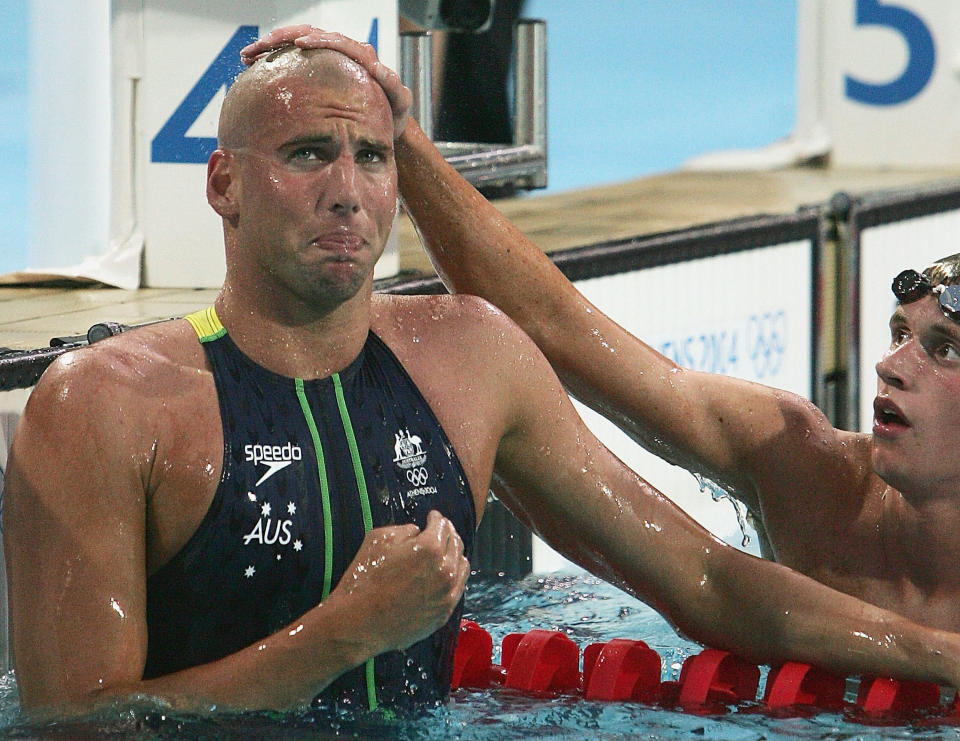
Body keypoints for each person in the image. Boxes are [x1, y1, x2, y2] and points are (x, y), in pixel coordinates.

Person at [8, 28, 960, 721]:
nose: (346, 189)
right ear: (222, 183)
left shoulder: (470, 358)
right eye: (307, 155)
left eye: (372, 157)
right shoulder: (104, 405)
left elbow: (704, 576)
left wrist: (939, 656)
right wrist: (339, 636)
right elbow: (69, 725)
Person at [376, 26, 960, 632]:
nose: (892, 365)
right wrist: (402, 142)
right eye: (898, 334)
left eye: (942, 350)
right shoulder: (810, 475)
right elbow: (555, 325)